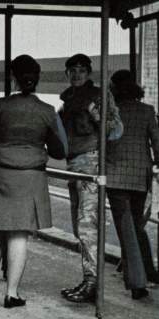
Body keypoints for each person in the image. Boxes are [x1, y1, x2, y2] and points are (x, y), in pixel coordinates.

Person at [0, 55, 68, 307]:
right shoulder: (47, 111)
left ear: (12, 78)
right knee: (19, 234)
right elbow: (60, 150)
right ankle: (12, 293)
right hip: (30, 176)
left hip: (1, 174)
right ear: (38, 80)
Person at [58, 53, 123, 304]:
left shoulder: (98, 96)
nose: (76, 74)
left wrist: (97, 115)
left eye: (81, 70)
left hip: (90, 162)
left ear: (89, 73)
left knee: (87, 225)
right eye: (72, 70)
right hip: (74, 163)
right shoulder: (68, 98)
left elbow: (115, 130)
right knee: (80, 225)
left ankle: (92, 282)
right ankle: (88, 278)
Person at [105, 69, 159, 300]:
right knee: (136, 223)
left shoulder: (112, 112)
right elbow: (157, 143)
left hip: (115, 176)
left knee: (126, 228)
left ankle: (137, 281)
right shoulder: (147, 111)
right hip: (141, 175)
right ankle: (146, 269)